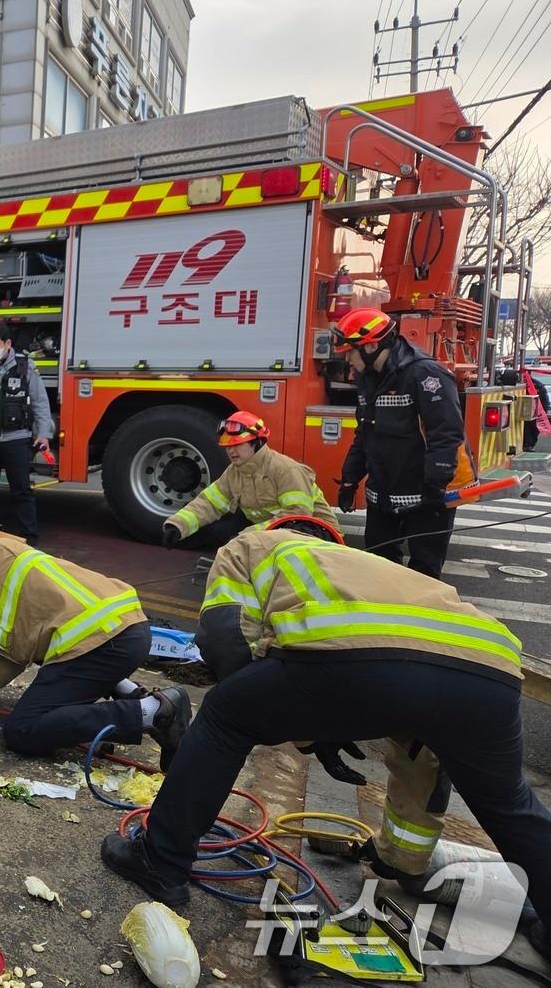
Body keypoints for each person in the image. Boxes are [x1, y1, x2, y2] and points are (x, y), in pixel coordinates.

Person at [100, 517, 551, 960]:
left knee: (225, 713)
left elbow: (226, 641)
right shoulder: (376, 570)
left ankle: (161, 861)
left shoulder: (253, 545)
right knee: (509, 803)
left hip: (355, 661)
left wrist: (296, 723)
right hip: (490, 671)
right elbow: (412, 688)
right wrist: (325, 720)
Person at [0, 506, 192, 769]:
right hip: (122, 637)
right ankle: (132, 693)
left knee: (23, 729)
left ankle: (152, 712)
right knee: (55, 699)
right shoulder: (6, 561)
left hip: (101, 645)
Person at [333, 308, 472, 580]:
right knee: (378, 570)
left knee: (423, 577)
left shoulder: (426, 375)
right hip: (384, 491)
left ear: (372, 345)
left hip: (426, 495)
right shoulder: (367, 379)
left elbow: (446, 435)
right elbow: (365, 433)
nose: (347, 360)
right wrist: (350, 480)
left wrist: (436, 487)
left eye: (350, 351)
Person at [162, 411, 337, 548]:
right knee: (220, 534)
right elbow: (208, 503)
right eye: (228, 446)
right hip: (274, 534)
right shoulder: (235, 472)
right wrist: (177, 526)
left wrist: (248, 535)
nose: (231, 451)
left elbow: (297, 516)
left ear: (257, 442)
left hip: (318, 537)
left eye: (237, 445)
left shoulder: (284, 469)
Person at [0, 322, 54, 545]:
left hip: (17, 439)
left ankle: (29, 539)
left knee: (21, 491)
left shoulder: (25, 367)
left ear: (7, 344)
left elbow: (40, 402)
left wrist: (43, 434)